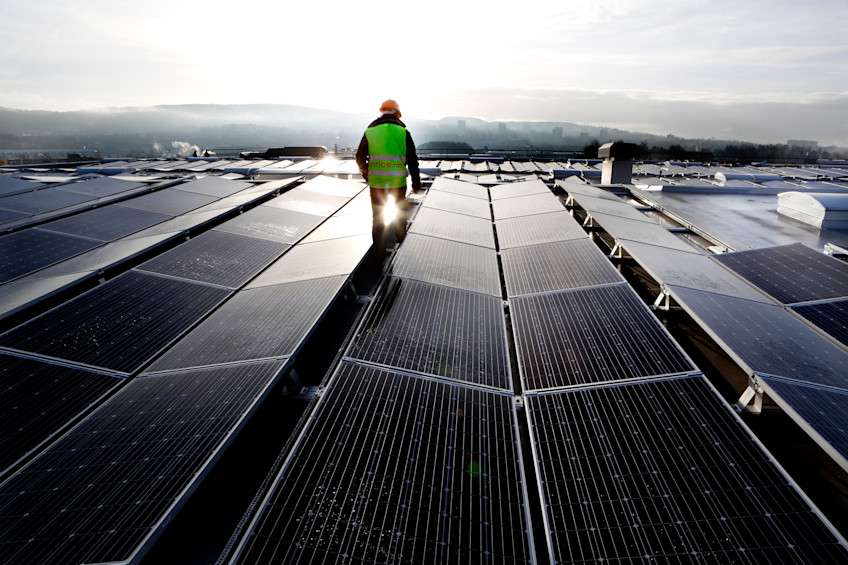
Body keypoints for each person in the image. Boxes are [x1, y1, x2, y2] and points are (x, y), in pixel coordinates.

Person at [356, 99, 421, 264]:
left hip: (376, 182)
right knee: (399, 216)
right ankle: (403, 253)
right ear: (397, 114)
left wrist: (366, 173)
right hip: (397, 181)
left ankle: (378, 258)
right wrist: (416, 181)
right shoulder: (403, 132)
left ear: (382, 112)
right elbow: (412, 159)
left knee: (378, 219)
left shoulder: (370, 132)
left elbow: (359, 157)